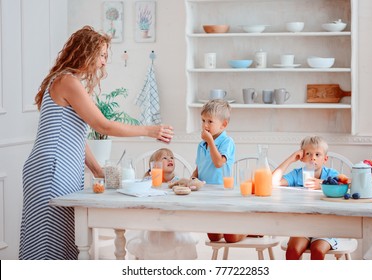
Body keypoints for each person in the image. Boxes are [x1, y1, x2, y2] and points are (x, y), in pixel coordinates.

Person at [19, 26, 174, 260]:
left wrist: (97, 170)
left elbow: (74, 137)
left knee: (62, 241)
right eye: (102, 56)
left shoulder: (64, 81)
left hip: (56, 169)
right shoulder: (68, 82)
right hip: (52, 170)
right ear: (86, 52)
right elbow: (103, 125)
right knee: (49, 242)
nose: (103, 63)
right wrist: (149, 130)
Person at [272, 135, 339, 260]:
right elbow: (272, 182)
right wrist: (291, 159)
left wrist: (323, 183)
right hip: (302, 225)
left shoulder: (331, 175)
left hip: (326, 226)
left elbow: (346, 186)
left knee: (318, 251)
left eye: (317, 154)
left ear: (325, 159)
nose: (313, 157)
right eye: (308, 153)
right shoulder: (297, 175)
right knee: (292, 251)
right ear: (302, 158)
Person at [126, 148, 198, 259]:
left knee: (180, 241)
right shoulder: (149, 181)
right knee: (150, 239)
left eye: (172, 158)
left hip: (175, 220)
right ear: (154, 166)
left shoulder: (178, 181)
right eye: (165, 158)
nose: (170, 159)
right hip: (152, 221)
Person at [191, 99, 245, 243]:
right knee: (213, 237)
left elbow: (219, 162)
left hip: (223, 193)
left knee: (231, 237)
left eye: (210, 121)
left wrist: (210, 141)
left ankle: (251, 230)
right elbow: (199, 167)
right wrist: (191, 179)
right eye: (203, 120)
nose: (205, 125)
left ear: (223, 124)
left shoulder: (227, 142)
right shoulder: (202, 145)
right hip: (206, 194)